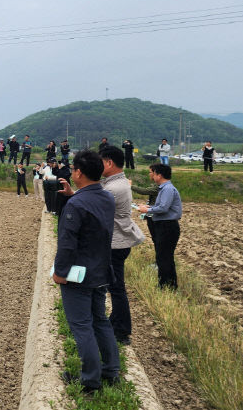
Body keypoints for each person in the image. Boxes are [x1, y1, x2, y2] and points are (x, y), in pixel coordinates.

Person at [53, 149, 120, 394]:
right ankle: (111, 371)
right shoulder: (106, 197)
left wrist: (60, 272)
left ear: (79, 172)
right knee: (100, 321)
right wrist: (74, 196)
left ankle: (91, 381)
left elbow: (68, 244)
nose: (71, 172)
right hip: (101, 270)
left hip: (79, 275)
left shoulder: (78, 204)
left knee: (82, 326)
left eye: (73, 169)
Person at [99, 146, 145, 345]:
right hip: (120, 241)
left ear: (109, 163)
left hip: (116, 243)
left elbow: (95, 204)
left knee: (116, 288)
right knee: (116, 286)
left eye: (101, 162)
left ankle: (121, 330)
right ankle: (117, 323)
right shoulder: (119, 183)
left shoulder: (113, 188)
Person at [137, 163, 182, 290]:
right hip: (165, 225)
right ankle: (170, 285)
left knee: (164, 257)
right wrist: (149, 207)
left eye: (153, 173)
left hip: (167, 226)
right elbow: (161, 206)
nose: (152, 175)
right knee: (164, 256)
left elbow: (163, 208)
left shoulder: (167, 189)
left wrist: (147, 210)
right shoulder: (164, 188)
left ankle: (165, 285)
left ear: (159, 175)